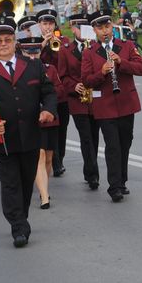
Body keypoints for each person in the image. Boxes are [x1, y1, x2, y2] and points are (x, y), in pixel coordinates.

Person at [0, 14, 57, 248]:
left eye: (8, 39)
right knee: (10, 184)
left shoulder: (34, 66)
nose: (4, 44)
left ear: (15, 42)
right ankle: (17, 225)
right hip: (3, 140)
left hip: (30, 136)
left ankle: (22, 216)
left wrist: (48, 110)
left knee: (26, 181)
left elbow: (49, 93)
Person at [81, 10, 142, 202]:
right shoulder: (89, 52)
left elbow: (141, 68)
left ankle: (122, 181)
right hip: (105, 106)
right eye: (100, 28)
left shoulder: (125, 46)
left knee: (125, 143)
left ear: (112, 27)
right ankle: (114, 186)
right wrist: (101, 72)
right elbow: (86, 81)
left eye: (107, 27)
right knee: (112, 146)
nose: (105, 31)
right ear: (94, 30)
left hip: (126, 103)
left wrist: (122, 62)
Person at [17, 32, 62, 209]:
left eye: (36, 52)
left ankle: (44, 187)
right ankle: (44, 196)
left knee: (49, 158)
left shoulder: (49, 69)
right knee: (40, 156)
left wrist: (48, 106)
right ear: (22, 53)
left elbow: (59, 91)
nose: (33, 56)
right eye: (29, 53)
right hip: (31, 121)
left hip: (49, 119)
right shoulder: (19, 72)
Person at [58, 13, 100, 190]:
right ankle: (93, 175)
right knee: (86, 138)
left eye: (85, 27)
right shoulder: (65, 49)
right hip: (78, 101)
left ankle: (88, 169)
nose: (82, 31)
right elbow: (62, 75)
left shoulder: (97, 47)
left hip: (97, 99)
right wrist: (74, 86)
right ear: (73, 29)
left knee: (95, 137)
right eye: (78, 28)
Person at [37, 9, 70, 177]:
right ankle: (54, 163)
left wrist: (57, 46)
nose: (48, 27)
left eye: (50, 24)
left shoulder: (62, 42)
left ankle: (59, 159)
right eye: (45, 24)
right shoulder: (34, 43)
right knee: (47, 132)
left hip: (60, 93)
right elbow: (31, 61)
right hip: (42, 95)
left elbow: (66, 65)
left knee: (61, 130)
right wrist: (42, 44)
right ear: (39, 26)